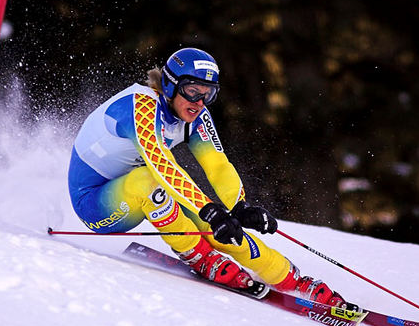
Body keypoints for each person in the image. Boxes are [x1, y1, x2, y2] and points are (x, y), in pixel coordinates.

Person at [68, 47, 351, 307]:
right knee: (155, 184)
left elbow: (217, 164)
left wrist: (238, 206)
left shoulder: (196, 115)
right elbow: (163, 166)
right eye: (192, 91)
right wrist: (213, 210)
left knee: (216, 222)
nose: (199, 102)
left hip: (141, 190)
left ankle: (289, 279)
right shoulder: (140, 107)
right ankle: (201, 258)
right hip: (95, 203)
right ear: (169, 85)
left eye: (208, 94)